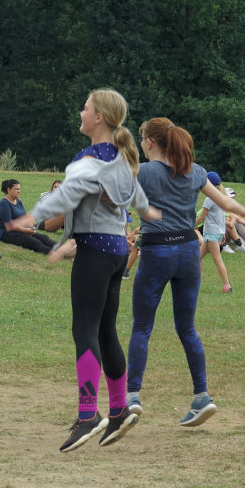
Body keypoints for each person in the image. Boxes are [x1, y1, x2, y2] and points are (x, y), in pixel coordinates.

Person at [12, 88, 157, 452]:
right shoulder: (122, 157)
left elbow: (68, 200)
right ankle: (119, 410)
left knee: (85, 330)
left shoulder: (90, 157)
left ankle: (88, 414)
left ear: (99, 118)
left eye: (86, 108)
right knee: (106, 331)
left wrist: (30, 219)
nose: (81, 112)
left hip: (95, 252)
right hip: (117, 251)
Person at [126, 117, 245, 427]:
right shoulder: (195, 170)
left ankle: (131, 397)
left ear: (149, 142)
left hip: (157, 251)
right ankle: (202, 396)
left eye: (142, 139)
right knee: (187, 328)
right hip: (188, 250)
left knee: (142, 326)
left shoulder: (142, 171)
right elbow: (224, 202)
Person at [195, 172, 233, 293]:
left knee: (217, 260)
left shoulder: (209, 199)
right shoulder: (220, 198)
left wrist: (189, 227)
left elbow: (201, 219)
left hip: (211, 233)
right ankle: (195, 283)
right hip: (215, 233)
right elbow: (221, 218)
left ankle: (227, 286)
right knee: (197, 257)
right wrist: (222, 233)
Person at [0, 179, 58, 254]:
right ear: (9, 190)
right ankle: (59, 254)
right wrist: (25, 230)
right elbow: (10, 225)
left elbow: (24, 217)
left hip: (23, 230)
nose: (19, 191)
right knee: (36, 243)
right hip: (9, 234)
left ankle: (65, 250)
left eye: (19, 189)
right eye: (16, 189)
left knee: (44, 238)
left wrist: (30, 226)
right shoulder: (4, 204)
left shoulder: (18, 201)